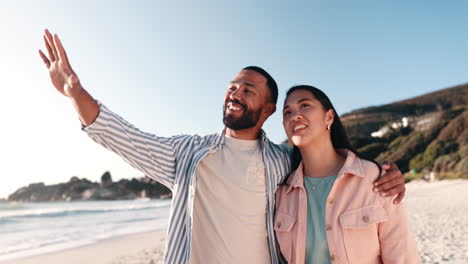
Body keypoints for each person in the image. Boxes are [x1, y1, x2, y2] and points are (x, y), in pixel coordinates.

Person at [38, 29, 407, 264]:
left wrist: (387, 174)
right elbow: (124, 136)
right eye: (233, 85)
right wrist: (76, 93)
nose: (237, 92)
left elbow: (331, 166)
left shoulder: (283, 163)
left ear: (267, 109)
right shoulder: (188, 154)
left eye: (249, 89)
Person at [275, 85, 420, 264]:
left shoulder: (374, 178)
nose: (294, 115)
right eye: (287, 112)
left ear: (328, 117)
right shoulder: (282, 192)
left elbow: (402, 257)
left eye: (304, 105)